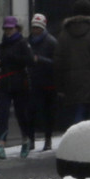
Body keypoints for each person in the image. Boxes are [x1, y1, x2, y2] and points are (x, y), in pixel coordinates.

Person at [55, 0, 90, 127]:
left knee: (76, 113)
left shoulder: (64, 33)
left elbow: (58, 60)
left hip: (70, 81)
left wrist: (59, 85)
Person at [0, 15, 33, 158]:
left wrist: (11, 58)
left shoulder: (23, 43)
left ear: (16, 28)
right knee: (3, 114)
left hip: (20, 84)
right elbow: (2, 61)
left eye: (10, 28)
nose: (8, 31)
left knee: (21, 114)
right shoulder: (2, 45)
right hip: (3, 85)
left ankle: (25, 140)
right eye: (6, 28)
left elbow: (29, 60)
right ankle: (1, 145)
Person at [27, 12, 58, 150]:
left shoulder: (51, 42)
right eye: (33, 27)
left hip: (48, 82)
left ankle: (48, 139)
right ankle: (31, 140)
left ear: (43, 28)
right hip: (32, 81)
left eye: (38, 27)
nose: (35, 30)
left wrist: (40, 60)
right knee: (31, 111)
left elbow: (56, 62)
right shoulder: (27, 42)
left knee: (47, 112)